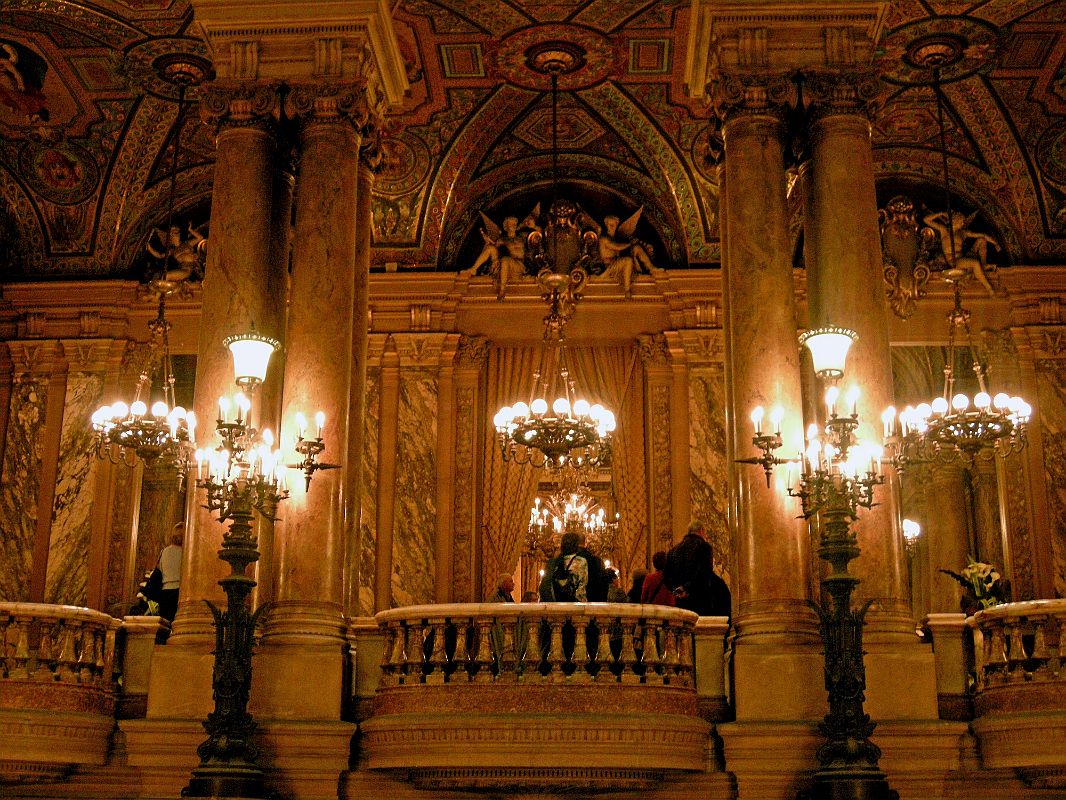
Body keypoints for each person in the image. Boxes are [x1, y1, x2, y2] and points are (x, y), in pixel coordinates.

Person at [664, 520, 730, 618]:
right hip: (700, 600)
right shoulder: (704, 547)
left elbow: (666, 577)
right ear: (701, 531)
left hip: (680, 603)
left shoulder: (673, 551)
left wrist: (677, 590)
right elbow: (704, 573)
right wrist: (687, 588)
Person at [539, 532, 588, 602]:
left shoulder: (553, 562)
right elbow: (582, 585)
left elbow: (545, 585)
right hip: (574, 604)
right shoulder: (581, 561)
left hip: (556, 603)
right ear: (576, 545)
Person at [157, 522, 184, 622]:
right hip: (179, 591)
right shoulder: (185, 552)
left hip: (165, 591)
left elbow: (160, 569)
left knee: (166, 623)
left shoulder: (164, 551)